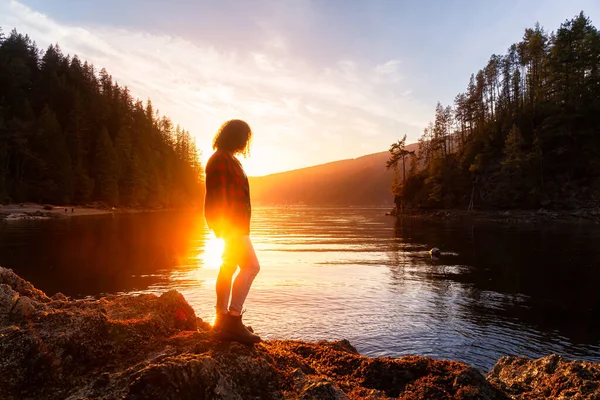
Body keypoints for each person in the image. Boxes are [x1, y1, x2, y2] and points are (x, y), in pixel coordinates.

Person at [204, 119, 261, 345]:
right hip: (231, 225)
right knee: (251, 266)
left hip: (235, 225)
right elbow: (219, 197)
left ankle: (221, 319)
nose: (245, 143)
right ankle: (233, 321)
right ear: (235, 136)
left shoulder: (229, 159)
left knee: (228, 266)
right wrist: (226, 229)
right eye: (244, 138)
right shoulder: (220, 160)